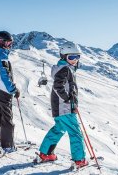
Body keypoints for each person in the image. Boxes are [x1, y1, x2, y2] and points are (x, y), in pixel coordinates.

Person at [35, 41, 88, 169]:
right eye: (71, 57)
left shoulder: (65, 68)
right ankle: (79, 160)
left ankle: (45, 154)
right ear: (64, 57)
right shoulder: (65, 69)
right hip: (65, 108)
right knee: (75, 133)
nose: (75, 60)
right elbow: (58, 86)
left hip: (60, 108)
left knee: (58, 129)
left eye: (77, 57)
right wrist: (69, 100)